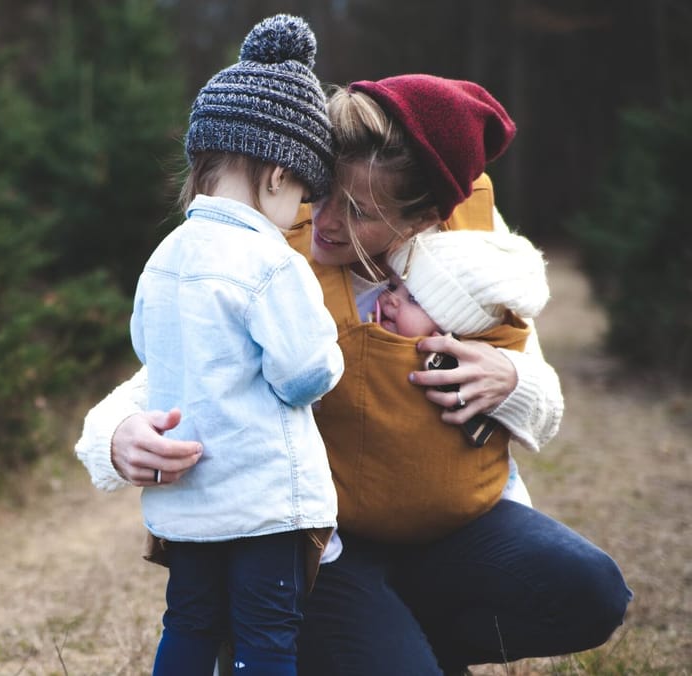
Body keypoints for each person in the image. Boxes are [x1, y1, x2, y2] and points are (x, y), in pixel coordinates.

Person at [75, 73, 632, 674]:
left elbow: (544, 400)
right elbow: (171, 365)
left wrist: (512, 380)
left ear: (423, 219)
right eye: (324, 194)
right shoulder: (271, 249)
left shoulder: (474, 261)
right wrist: (114, 436)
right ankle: (324, 635)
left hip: (449, 530)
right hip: (324, 546)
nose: (328, 223)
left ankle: (402, 641)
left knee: (592, 591)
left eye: (361, 211)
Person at [131, 15, 343, 675]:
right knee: (266, 640)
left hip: (188, 499)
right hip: (264, 503)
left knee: (190, 623)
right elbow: (306, 370)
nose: (301, 213)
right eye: (305, 193)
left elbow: (148, 349)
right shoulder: (269, 260)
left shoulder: (165, 256)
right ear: (280, 175)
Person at [326, 227, 550, 543]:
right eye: (392, 287)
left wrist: (515, 380)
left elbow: (543, 413)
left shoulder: (475, 359)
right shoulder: (355, 331)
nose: (389, 300)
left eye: (413, 299)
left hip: (475, 512)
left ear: (452, 330)